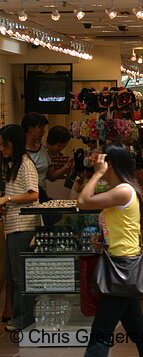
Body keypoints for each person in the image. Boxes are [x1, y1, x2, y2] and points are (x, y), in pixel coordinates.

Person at [76, 144, 143, 357]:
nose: (95, 163)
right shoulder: (119, 191)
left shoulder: (124, 191)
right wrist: (103, 238)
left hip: (122, 267)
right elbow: (121, 226)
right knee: (137, 328)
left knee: (101, 331)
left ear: (109, 164)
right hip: (121, 265)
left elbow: (83, 201)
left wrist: (96, 175)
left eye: (100, 160)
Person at [0, 124, 40, 331]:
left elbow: (34, 195)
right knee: (14, 275)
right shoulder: (13, 165)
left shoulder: (25, 164)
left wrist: (6, 199)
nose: (1, 149)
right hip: (13, 226)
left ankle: (24, 319)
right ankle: (20, 317)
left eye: (4, 145)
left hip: (23, 227)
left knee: (20, 276)